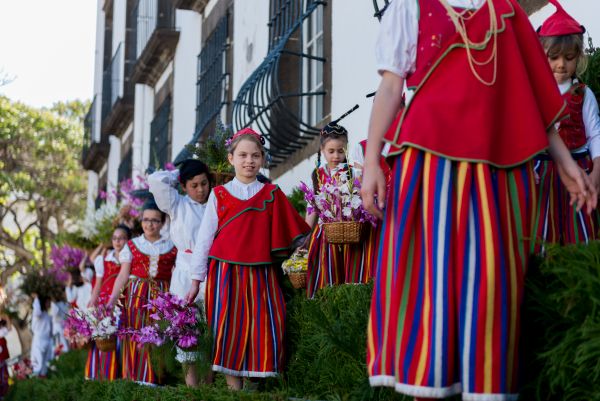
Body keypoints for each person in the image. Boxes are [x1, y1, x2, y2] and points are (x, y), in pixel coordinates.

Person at [360, 0, 597, 400]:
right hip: (430, 163)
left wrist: (565, 163)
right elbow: (391, 86)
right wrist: (370, 162)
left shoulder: (507, 11)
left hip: (498, 168)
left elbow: (534, 99)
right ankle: (427, 389)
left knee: (492, 285)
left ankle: (486, 389)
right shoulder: (411, 5)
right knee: (430, 282)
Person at [188, 128, 310, 390]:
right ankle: (235, 390)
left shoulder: (272, 194)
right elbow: (205, 239)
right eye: (242, 155)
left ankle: (254, 387)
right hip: (225, 272)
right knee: (227, 327)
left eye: (255, 155)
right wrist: (196, 280)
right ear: (231, 158)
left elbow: (296, 233)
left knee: (264, 324)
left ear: (263, 159)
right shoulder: (219, 194)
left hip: (260, 272)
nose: (249, 160)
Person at [532, 0, 600, 253]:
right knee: (542, 228)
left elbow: (595, 134)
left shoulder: (583, 94)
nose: (561, 64)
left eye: (569, 58)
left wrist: (596, 172)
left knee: (579, 225)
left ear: (578, 58)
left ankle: (579, 266)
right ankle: (545, 271)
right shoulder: (535, 94)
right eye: (554, 57)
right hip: (543, 169)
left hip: (579, 168)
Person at [148, 159, 211, 387]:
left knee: (210, 332)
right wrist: (179, 173)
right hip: (185, 272)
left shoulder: (215, 202)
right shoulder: (177, 204)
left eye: (204, 183)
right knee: (187, 333)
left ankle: (209, 388)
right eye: (194, 185)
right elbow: (155, 180)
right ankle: (192, 390)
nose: (201, 189)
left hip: (213, 270)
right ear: (183, 186)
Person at [108, 202, 177, 385]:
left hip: (161, 297)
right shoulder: (132, 245)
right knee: (135, 334)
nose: (149, 224)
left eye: (155, 220)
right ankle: (134, 379)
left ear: (162, 223)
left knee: (158, 335)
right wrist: (112, 300)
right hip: (136, 297)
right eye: (146, 220)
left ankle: (155, 381)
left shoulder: (171, 245)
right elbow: (123, 275)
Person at [84, 225, 132, 381]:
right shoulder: (103, 259)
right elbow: (98, 284)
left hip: (124, 302)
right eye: (115, 238)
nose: (117, 241)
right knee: (106, 338)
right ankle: (106, 375)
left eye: (122, 238)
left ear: (128, 240)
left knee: (122, 337)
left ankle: (124, 374)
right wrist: (93, 300)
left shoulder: (131, 257)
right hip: (106, 304)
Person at [30, 295, 53, 377]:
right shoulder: (37, 314)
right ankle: (35, 381)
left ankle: (44, 381)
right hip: (38, 341)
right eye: (48, 302)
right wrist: (36, 298)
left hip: (46, 340)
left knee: (44, 365)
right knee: (37, 366)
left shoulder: (47, 314)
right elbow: (37, 311)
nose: (50, 303)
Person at [0, 319, 10, 398]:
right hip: (1, 360)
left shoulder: (1, 333)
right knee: (3, 378)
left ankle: (5, 394)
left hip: (2, 361)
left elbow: (8, 328)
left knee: (4, 378)